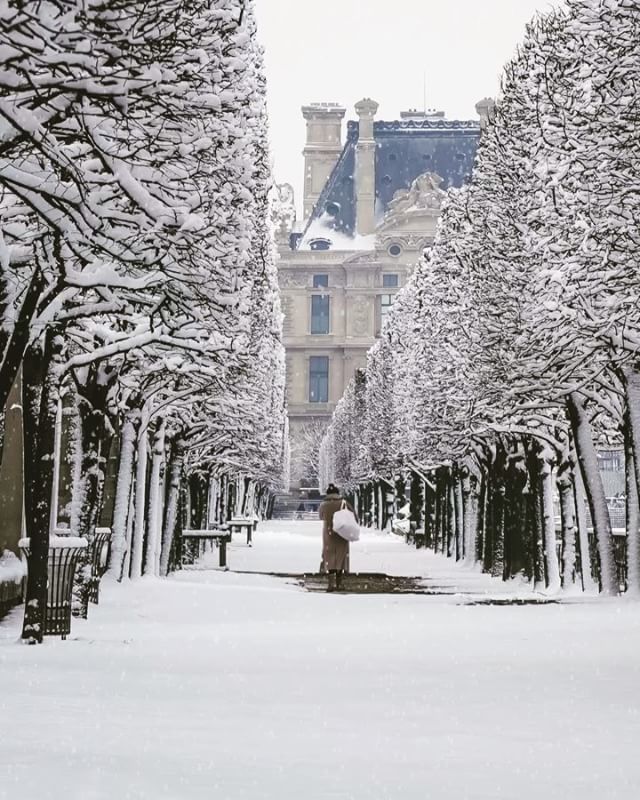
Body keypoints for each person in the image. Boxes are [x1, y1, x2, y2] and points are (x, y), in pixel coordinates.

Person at [319, 483, 357, 592]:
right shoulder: (344, 503)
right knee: (341, 557)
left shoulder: (323, 505)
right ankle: (339, 583)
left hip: (328, 533)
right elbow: (354, 516)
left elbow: (321, 516)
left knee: (329, 557)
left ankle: (331, 584)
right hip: (342, 533)